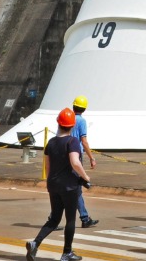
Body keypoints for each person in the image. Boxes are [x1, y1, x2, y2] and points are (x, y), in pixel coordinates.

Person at [26, 108, 92, 261]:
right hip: (69, 186)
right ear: (72, 125)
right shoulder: (72, 141)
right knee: (70, 219)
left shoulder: (51, 142)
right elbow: (75, 162)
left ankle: (35, 243)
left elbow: (47, 167)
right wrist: (86, 177)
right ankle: (67, 252)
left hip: (53, 185)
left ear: (58, 123)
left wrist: (50, 182)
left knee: (54, 219)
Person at [70, 96, 98, 227]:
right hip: (76, 154)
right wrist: (92, 158)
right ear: (84, 109)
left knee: (66, 187)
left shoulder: (68, 118)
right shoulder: (81, 121)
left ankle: (84, 217)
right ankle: (85, 218)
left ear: (73, 106)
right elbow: (84, 141)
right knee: (76, 189)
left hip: (64, 154)